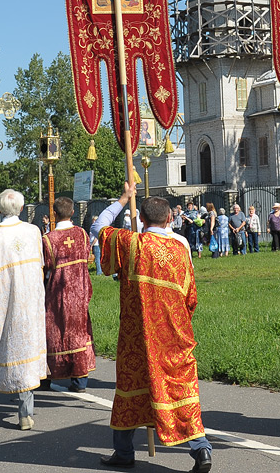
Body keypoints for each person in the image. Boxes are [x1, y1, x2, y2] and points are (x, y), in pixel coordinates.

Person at [93, 183, 212, 472]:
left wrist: (124, 198)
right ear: (170, 218)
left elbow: (98, 225)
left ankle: (123, 452)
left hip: (137, 336)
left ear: (142, 220)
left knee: (131, 388)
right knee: (179, 389)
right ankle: (201, 449)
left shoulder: (130, 243)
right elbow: (191, 296)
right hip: (174, 335)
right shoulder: (181, 248)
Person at [0, 189, 47, 430]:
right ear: (22, 209)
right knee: (24, 350)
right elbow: (41, 264)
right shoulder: (33, 231)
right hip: (30, 302)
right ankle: (25, 413)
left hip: (3, 302)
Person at [42, 197, 97, 393]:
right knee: (79, 331)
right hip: (80, 290)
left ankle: (48, 377)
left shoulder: (48, 239)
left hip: (57, 291)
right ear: (73, 212)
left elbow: (45, 266)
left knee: (54, 332)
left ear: (54, 214)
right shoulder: (82, 234)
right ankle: (80, 380)